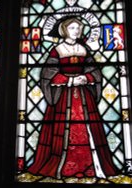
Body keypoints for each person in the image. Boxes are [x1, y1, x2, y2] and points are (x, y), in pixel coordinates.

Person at [28, 18, 117, 179]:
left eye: (78, 28)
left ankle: (92, 167)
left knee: (89, 127)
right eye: (72, 28)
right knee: (61, 129)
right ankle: (64, 168)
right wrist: (68, 80)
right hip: (63, 96)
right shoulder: (58, 50)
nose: (76, 31)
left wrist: (87, 77)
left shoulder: (84, 49)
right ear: (64, 30)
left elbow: (95, 71)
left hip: (84, 95)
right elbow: (48, 74)